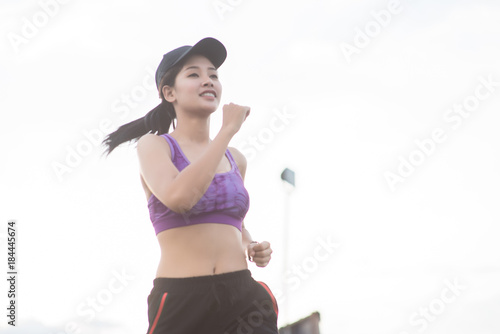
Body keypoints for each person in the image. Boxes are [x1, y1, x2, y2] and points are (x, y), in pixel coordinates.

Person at [101, 37, 279, 334]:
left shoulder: (235, 159)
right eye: (194, 74)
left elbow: (235, 224)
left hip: (244, 299)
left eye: (213, 75)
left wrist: (250, 244)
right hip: (183, 300)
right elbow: (180, 198)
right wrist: (226, 131)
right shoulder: (155, 146)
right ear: (169, 92)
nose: (208, 81)